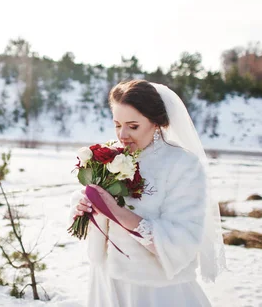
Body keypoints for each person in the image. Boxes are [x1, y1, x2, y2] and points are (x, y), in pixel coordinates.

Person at [70, 80, 226, 307]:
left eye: (133, 126)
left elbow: (182, 240)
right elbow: (92, 208)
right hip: (106, 282)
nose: (122, 135)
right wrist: (85, 208)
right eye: (117, 124)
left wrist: (118, 213)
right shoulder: (110, 156)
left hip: (153, 289)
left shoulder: (182, 165)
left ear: (157, 123)